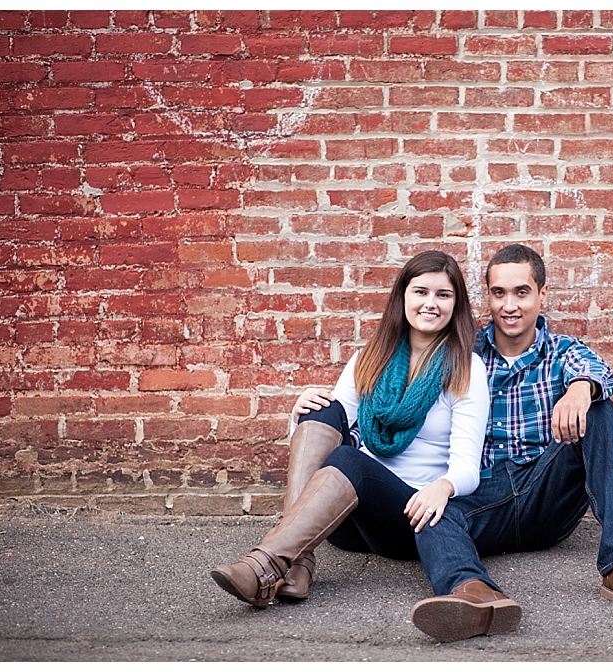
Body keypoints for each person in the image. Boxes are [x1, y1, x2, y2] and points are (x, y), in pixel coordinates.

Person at [210, 251, 521, 641]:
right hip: (348, 520)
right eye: (421, 291)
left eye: (443, 295)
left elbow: (466, 468)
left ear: (456, 304)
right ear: (402, 296)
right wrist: (299, 413)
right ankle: (296, 561)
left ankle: (269, 565)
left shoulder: (465, 367)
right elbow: (328, 439)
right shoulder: (368, 359)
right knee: (322, 409)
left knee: (347, 458)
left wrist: (442, 487)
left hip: (412, 514)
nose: (430, 303)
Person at [407, 244, 613, 638]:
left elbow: (595, 369)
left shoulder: (561, 351)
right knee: (430, 506)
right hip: (487, 494)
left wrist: (581, 389)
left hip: (544, 491)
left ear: (542, 294)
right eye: (499, 294)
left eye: (521, 292)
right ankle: (472, 594)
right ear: (488, 296)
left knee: (600, 411)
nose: (510, 305)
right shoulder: (464, 351)